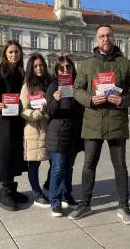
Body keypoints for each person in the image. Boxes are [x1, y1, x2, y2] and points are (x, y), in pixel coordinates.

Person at [69, 24, 130, 225]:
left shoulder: (125, 64)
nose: (105, 39)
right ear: (96, 39)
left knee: (120, 166)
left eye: (108, 35)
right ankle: (85, 203)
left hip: (117, 121)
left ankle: (124, 206)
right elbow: (77, 89)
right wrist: (91, 99)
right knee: (89, 164)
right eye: (101, 36)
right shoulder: (87, 64)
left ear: (113, 38)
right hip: (93, 121)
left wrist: (123, 100)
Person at [0, 40, 28, 212]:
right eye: (10, 52)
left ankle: (12, 189)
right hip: (2, 120)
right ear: (5, 54)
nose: (13, 55)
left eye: (16, 52)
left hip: (17, 119)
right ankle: (3, 191)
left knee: (15, 154)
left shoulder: (22, 72)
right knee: (3, 154)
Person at [45, 56, 84, 217]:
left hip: (74, 133)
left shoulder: (78, 86)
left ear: (73, 68)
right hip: (58, 132)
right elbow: (49, 112)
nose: (66, 70)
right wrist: (55, 99)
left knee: (69, 168)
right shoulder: (53, 86)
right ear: (56, 71)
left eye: (68, 67)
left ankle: (67, 195)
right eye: (61, 68)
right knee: (58, 168)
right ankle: (55, 200)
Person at [20, 54, 52, 208]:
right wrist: (38, 113)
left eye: (42, 65)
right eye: (36, 66)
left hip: (51, 129)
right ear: (31, 68)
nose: (39, 68)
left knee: (56, 162)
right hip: (34, 130)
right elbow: (23, 111)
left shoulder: (50, 83)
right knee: (34, 164)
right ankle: (37, 193)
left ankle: (48, 184)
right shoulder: (27, 86)